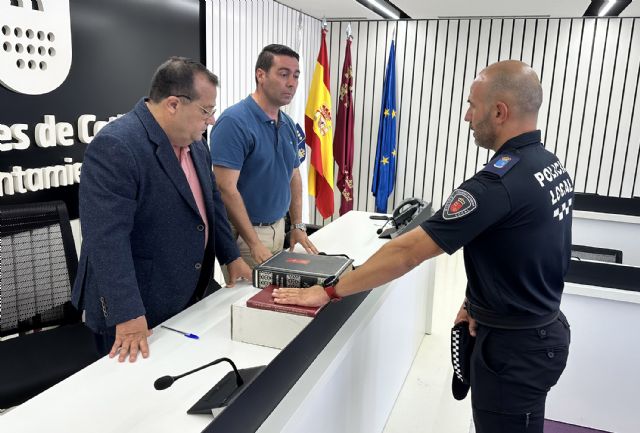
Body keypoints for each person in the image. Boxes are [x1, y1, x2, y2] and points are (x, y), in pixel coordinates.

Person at [273, 60, 573, 433]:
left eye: (472, 106)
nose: (467, 117)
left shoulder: (497, 185)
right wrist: (474, 302)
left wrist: (330, 290)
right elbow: (525, 250)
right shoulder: (548, 164)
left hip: (515, 347)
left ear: (499, 112)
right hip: (535, 331)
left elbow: (407, 252)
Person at [72, 57, 252, 363]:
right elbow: (106, 240)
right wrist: (128, 313)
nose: (210, 121)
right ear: (173, 104)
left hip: (187, 294)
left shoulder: (195, 143)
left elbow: (211, 205)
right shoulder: (117, 145)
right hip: (136, 309)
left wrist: (231, 257)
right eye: (206, 111)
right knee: (131, 400)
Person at [210, 44, 318, 271]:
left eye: (296, 76)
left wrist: (297, 225)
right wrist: (254, 242)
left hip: (279, 228)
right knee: (249, 302)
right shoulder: (234, 122)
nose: (292, 83)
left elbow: (293, 174)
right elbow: (225, 188)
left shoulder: (288, 124)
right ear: (261, 75)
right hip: (246, 235)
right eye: (283, 74)